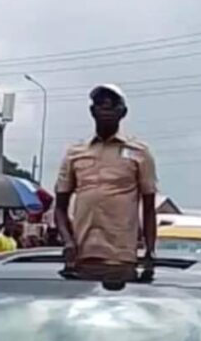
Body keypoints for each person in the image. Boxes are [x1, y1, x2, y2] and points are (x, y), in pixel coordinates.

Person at [55, 84, 157, 270]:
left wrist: (150, 250)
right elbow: (60, 207)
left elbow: (149, 207)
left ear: (123, 112)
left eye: (113, 105)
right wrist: (68, 242)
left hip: (122, 255)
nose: (106, 110)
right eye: (101, 104)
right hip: (82, 254)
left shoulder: (139, 153)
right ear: (92, 111)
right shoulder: (74, 153)